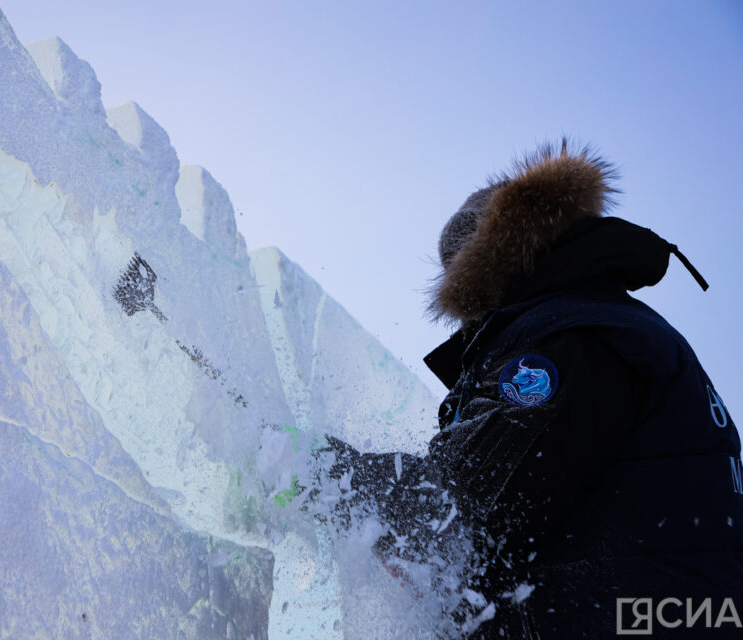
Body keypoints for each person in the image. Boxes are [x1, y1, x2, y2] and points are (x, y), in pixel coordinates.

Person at [316, 141, 743, 638]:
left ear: (483, 267)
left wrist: (313, 469)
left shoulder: (571, 337)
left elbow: (457, 507)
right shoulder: (608, 324)